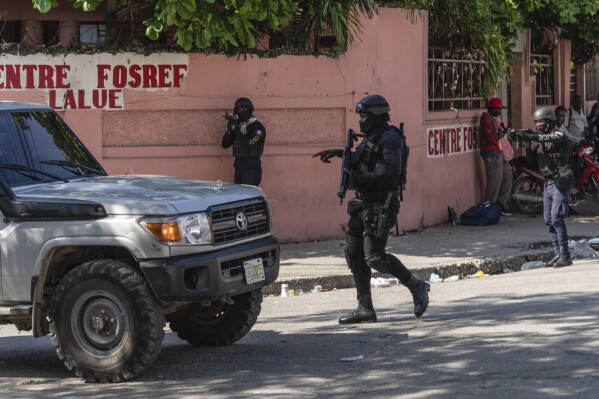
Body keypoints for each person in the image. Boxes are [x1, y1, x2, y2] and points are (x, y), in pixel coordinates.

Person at [312, 94, 429, 324]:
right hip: (363, 203)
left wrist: (361, 179)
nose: (361, 120)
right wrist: (340, 154)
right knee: (355, 254)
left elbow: (391, 170)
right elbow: (360, 159)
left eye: (364, 115)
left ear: (375, 116)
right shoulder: (371, 137)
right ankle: (365, 308)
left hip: (381, 204)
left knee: (374, 257)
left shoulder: (389, 138)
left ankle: (417, 286)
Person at [511, 107, 573, 268]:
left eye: (541, 121)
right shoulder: (542, 141)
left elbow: (548, 138)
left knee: (557, 217)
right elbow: (532, 160)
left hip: (560, 182)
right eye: (536, 122)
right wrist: (526, 144)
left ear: (549, 122)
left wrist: (530, 136)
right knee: (549, 219)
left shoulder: (558, 135)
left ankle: (565, 254)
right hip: (548, 183)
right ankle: (557, 252)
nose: (538, 124)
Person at [478, 97, 513, 216]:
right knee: (494, 182)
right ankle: (488, 207)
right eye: (498, 109)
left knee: (507, 175)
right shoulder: (486, 119)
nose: (499, 111)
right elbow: (491, 138)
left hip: (498, 152)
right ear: (491, 108)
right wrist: (500, 133)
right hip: (490, 154)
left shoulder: (493, 120)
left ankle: (500, 203)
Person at [221, 98, 266, 186]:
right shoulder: (238, 125)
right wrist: (230, 130)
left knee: (248, 197)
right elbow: (225, 144)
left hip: (251, 170)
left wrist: (236, 128)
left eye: (244, 109)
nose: (241, 112)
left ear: (250, 110)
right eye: (239, 110)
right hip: (238, 168)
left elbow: (249, 144)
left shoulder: (258, 128)